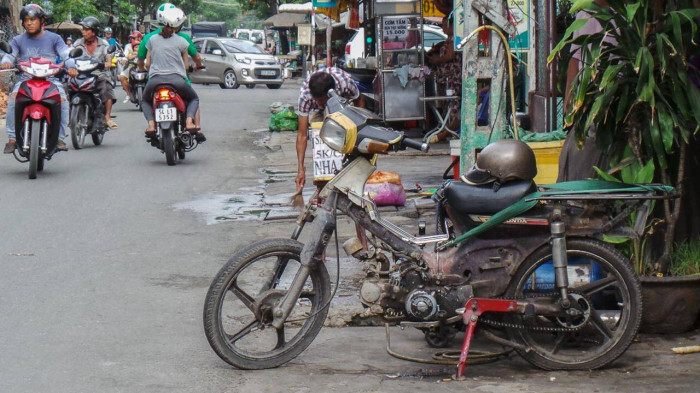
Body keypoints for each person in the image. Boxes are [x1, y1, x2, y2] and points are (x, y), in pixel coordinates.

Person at [2, 4, 77, 154]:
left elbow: (66, 55)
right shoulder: (18, 40)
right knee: (13, 98)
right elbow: (10, 54)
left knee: (62, 100)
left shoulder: (55, 38)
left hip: (51, 81)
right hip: (26, 80)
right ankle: (12, 138)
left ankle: (60, 138)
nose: (29, 23)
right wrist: (6, 61)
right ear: (22, 22)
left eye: (33, 19)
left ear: (41, 21)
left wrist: (71, 66)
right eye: (26, 20)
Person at [137, 7, 205, 142]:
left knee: (145, 100)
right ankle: (189, 122)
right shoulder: (182, 41)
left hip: (155, 81)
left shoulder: (151, 39)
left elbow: (147, 64)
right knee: (194, 99)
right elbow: (186, 67)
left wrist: (145, 70)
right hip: (177, 81)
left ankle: (151, 125)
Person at [295, 67, 364, 192]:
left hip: (342, 105)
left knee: (346, 137)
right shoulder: (305, 96)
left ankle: (348, 174)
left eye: (321, 99)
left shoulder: (345, 83)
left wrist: (358, 131)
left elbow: (359, 101)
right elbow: (302, 135)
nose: (319, 102)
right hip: (317, 112)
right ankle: (322, 183)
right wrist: (300, 169)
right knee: (320, 139)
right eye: (317, 99)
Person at [72, 16, 118, 129]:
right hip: (81, 74)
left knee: (106, 87)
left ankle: (107, 117)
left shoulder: (103, 44)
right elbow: (70, 55)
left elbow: (108, 54)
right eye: (83, 29)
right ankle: (70, 116)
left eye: (86, 29)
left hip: (99, 73)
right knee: (66, 86)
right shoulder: (78, 43)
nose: (83, 32)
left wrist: (107, 62)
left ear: (94, 32)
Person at [425, 15, 462, 143]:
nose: (443, 28)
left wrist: (437, 60)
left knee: (453, 103)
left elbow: (450, 56)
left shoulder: (455, 40)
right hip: (445, 78)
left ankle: (450, 131)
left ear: (452, 26)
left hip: (453, 78)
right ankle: (446, 128)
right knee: (447, 104)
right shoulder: (447, 40)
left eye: (445, 25)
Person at [119, 31, 142, 103]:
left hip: (143, 66)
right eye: (131, 38)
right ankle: (128, 94)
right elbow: (125, 55)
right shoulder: (128, 46)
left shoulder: (144, 44)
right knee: (122, 77)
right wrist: (124, 59)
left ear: (139, 38)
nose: (132, 39)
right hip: (131, 65)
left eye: (134, 38)